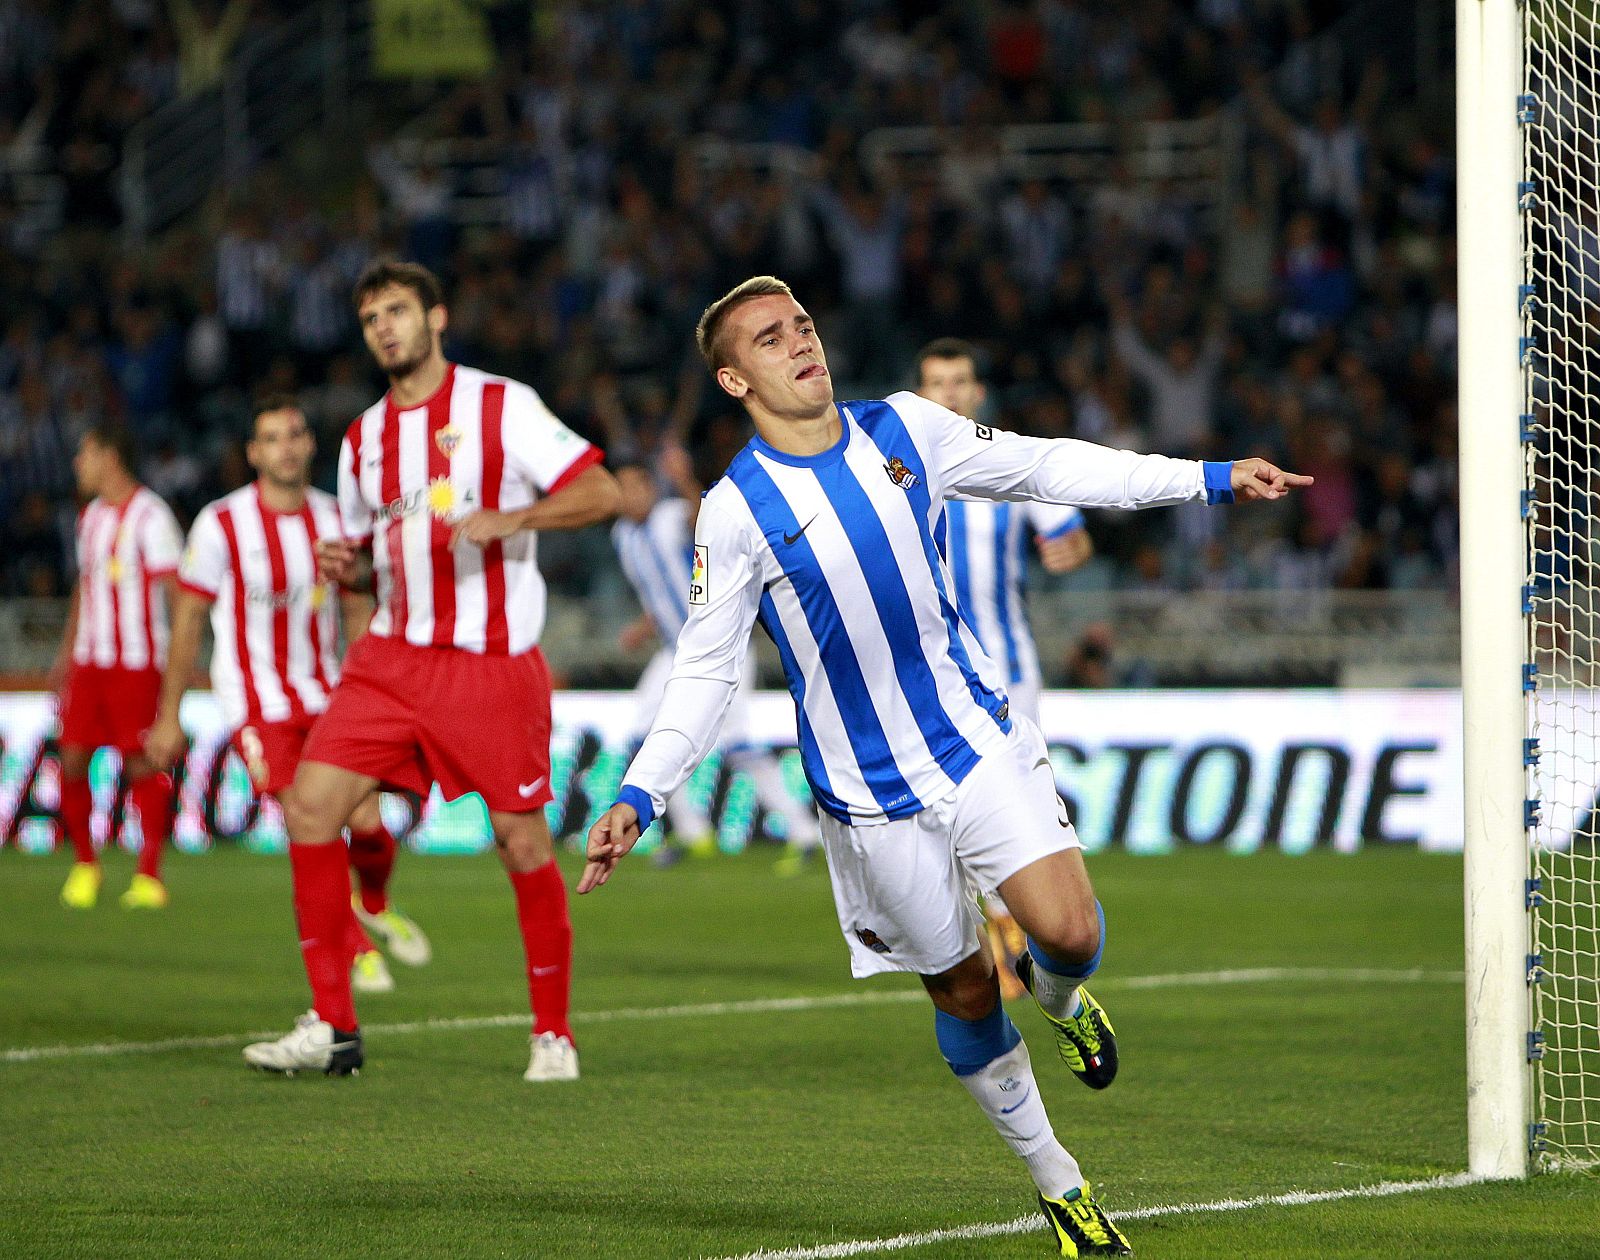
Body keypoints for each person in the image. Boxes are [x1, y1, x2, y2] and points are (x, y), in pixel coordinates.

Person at [580, 276, 1309, 1256]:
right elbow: (707, 671)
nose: (799, 342)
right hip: (868, 800)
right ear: (731, 377)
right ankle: (1061, 1188)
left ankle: (1058, 997)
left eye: (801, 323)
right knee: (964, 995)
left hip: (972, 740)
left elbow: (1048, 468)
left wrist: (1207, 478)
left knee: (1071, 932)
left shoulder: (905, 428)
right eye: (767, 338)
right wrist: (641, 790)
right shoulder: (733, 512)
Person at [241, 260, 621, 1080]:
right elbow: (372, 562)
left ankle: (552, 1033)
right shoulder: (360, 441)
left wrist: (514, 516)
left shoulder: (501, 405)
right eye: (371, 315)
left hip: (488, 664)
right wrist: (347, 564)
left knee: (521, 844)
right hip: (388, 658)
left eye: (398, 311)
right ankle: (333, 1027)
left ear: (436, 317)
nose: (384, 326)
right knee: (310, 808)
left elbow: (604, 491)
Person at [143, 397, 429, 998]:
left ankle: (372, 901)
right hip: (256, 704)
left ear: (308, 445)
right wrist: (168, 715)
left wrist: (375, 687)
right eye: (272, 438)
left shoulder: (334, 518)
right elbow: (189, 619)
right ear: (254, 453)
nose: (286, 447)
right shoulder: (221, 524)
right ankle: (353, 948)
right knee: (309, 821)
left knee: (370, 822)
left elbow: (357, 607)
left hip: (330, 696)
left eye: (295, 434)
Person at [916, 337, 1092, 1000]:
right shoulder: (899, 470)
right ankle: (999, 931)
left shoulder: (1006, 461)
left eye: (961, 380)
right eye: (938, 382)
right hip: (933, 678)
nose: (952, 393)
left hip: (1009, 672)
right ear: (921, 393)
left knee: (1016, 811)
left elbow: (1070, 534)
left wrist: (1067, 551)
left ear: (978, 391)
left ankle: (1019, 931)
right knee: (947, 818)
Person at [611, 448, 821, 870]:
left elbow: (700, 517)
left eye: (637, 485)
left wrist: (685, 477)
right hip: (675, 649)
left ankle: (804, 832)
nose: (631, 495)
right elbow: (667, 587)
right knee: (639, 738)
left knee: (739, 746)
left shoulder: (669, 516)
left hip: (722, 646)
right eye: (623, 488)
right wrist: (644, 626)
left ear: (652, 488)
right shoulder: (624, 536)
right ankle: (693, 833)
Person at [54, 425, 184, 911]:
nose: (78, 465)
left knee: (141, 762)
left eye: (84, 453)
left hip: (138, 661)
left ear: (109, 455)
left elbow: (177, 595)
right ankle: (85, 864)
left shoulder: (152, 517)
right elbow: (83, 590)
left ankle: (149, 874)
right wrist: (66, 655)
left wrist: (179, 665)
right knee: (70, 757)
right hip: (91, 660)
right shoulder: (88, 518)